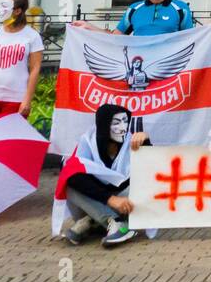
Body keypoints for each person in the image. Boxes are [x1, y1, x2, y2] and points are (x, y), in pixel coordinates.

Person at [56, 103, 149, 246]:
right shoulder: (87, 142)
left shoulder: (133, 140)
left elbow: (152, 168)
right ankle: (116, 222)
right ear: (104, 126)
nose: (123, 128)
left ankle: (92, 220)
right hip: (105, 199)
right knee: (68, 183)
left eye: (125, 121)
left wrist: (146, 141)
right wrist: (110, 199)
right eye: (116, 123)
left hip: (126, 197)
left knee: (147, 188)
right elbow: (72, 174)